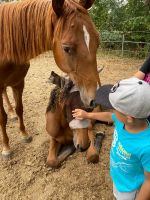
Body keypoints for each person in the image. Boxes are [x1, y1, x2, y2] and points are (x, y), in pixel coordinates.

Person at [72, 77, 150, 200]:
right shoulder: (123, 121)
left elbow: (149, 181)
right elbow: (110, 116)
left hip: (130, 190)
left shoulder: (146, 147)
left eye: (114, 108)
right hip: (119, 178)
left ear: (129, 118)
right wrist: (88, 115)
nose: (112, 110)